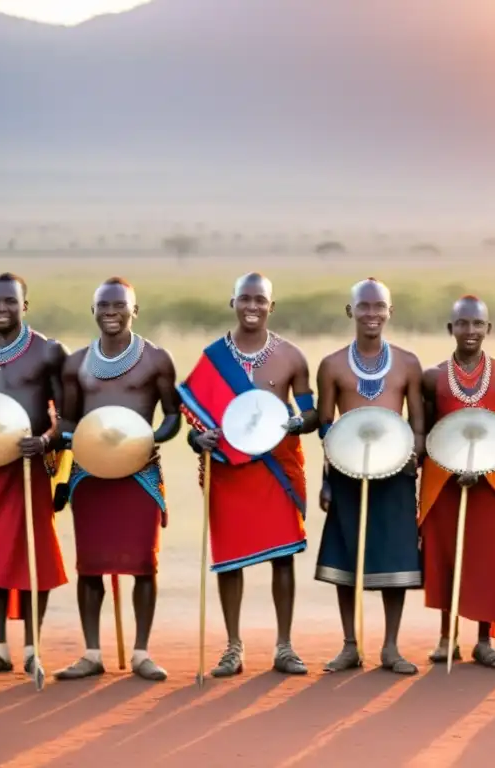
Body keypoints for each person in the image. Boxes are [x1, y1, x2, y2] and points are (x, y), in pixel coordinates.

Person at [182, 273, 317, 677]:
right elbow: (195, 420)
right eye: (245, 299)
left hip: (274, 470)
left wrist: (291, 424)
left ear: (271, 306)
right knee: (229, 562)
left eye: (260, 300)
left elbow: (310, 414)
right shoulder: (211, 358)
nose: (253, 306)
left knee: (283, 559)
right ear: (233, 303)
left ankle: (284, 647)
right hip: (229, 472)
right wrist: (197, 439)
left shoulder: (292, 357)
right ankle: (232, 648)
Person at [51, 278, 181, 682]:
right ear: (93, 311)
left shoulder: (157, 359)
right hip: (90, 474)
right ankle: (92, 653)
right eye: (103, 305)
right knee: (90, 566)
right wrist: (76, 440)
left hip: (139, 472)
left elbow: (173, 414)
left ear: (134, 310)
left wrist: (152, 439)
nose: (111, 311)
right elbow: (69, 419)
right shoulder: (75, 363)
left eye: (119, 305)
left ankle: (142, 652)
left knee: (143, 564)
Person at [315, 278, 425, 675]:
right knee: (348, 560)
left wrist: (412, 459)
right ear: (351, 312)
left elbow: (418, 423)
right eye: (364, 306)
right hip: (347, 472)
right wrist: (327, 480)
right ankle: (349, 645)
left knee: (395, 561)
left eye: (379, 306)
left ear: (390, 312)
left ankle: (391, 648)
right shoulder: (331, 365)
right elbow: (326, 426)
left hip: (395, 474)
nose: (372, 313)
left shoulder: (409, 363)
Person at [419, 296, 495, 669]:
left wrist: (486, 467)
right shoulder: (432, 377)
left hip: (490, 483)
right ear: (451, 329)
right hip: (445, 482)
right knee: (448, 556)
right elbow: (428, 433)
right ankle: (448, 639)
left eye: (477, 324)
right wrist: (446, 467)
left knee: (486, 559)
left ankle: (483, 641)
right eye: (462, 324)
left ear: (488, 329)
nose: (470, 331)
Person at [0, 273, 68, 678]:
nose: (1, 309)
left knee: (35, 555)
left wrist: (47, 441)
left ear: (24, 306)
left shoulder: (48, 351)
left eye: (10, 302)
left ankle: (32, 648)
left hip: (29, 466)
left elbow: (66, 417)